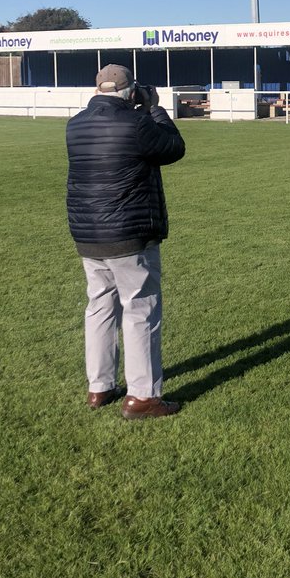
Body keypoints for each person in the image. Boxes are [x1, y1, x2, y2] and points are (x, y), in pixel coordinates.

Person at [66, 64, 186, 419]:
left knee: (100, 307)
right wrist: (154, 108)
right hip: (129, 232)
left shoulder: (74, 125)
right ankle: (143, 397)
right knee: (140, 310)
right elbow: (174, 147)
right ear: (131, 91)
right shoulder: (137, 123)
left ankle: (99, 386)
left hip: (88, 233)